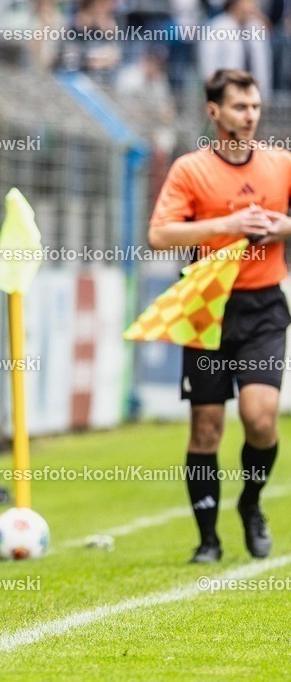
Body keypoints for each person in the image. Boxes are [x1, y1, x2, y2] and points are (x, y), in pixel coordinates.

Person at [147, 69, 290, 563]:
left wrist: (281, 228)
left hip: (263, 307)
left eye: (255, 107)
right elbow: (159, 236)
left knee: (260, 418)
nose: (250, 116)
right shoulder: (190, 169)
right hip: (207, 307)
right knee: (206, 427)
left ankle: (251, 502)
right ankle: (208, 540)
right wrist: (227, 224)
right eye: (239, 107)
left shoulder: (280, 164)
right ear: (214, 112)